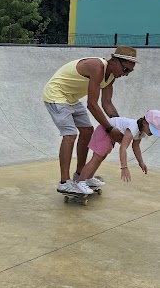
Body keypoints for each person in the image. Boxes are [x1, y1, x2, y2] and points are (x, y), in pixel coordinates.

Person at [42, 46, 139, 196]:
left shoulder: (111, 76)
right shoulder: (97, 66)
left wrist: (119, 127)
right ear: (114, 61)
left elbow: (107, 103)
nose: (126, 75)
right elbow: (92, 104)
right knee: (70, 134)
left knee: (87, 131)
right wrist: (109, 130)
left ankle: (81, 176)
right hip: (56, 94)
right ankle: (64, 183)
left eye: (130, 72)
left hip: (72, 98)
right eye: (125, 70)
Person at [78, 109, 160, 184]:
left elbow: (136, 147)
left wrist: (141, 162)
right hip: (104, 131)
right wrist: (124, 167)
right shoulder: (133, 127)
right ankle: (80, 182)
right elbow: (123, 148)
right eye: (152, 129)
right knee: (96, 159)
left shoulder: (141, 132)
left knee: (100, 158)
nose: (152, 133)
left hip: (110, 135)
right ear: (144, 123)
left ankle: (88, 179)